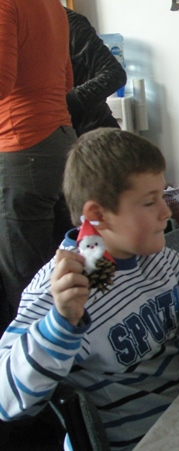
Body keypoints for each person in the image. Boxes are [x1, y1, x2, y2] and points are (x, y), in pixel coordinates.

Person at [0, 128, 179, 449]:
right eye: (150, 202)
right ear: (97, 215)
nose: (166, 211)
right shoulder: (59, 295)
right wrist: (61, 324)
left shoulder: (157, 260)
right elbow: (6, 401)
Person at [0, 0, 77, 335]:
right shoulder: (53, 5)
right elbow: (67, 81)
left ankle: (32, 365)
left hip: (23, 144)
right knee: (65, 272)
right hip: (61, 143)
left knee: (26, 282)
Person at [65, 7, 127, 137]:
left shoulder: (70, 23)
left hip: (93, 135)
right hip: (57, 134)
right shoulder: (26, 27)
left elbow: (114, 74)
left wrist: (63, 104)